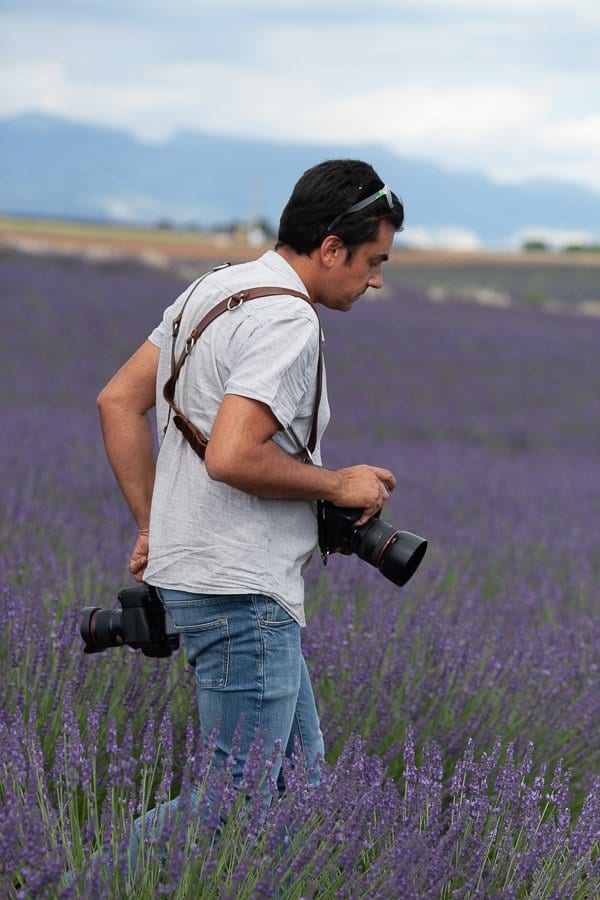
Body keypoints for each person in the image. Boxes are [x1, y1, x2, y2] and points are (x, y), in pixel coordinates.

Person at [96, 158, 404, 831]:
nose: (377, 278)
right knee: (232, 799)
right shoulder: (288, 321)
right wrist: (337, 483)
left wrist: (154, 527)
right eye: (373, 260)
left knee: (298, 787)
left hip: (209, 578)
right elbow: (234, 454)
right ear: (331, 248)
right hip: (242, 590)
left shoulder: (213, 290)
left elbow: (118, 401)